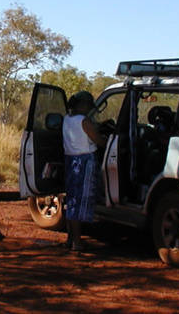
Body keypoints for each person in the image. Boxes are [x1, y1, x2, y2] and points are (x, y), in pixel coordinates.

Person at [62, 91, 106, 252]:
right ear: (82, 105)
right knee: (80, 202)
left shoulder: (67, 119)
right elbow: (98, 141)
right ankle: (77, 242)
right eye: (88, 106)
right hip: (85, 162)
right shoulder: (84, 121)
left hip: (70, 160)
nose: (89, 109)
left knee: (72, 199)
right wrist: (108, 141)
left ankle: (70, 239)